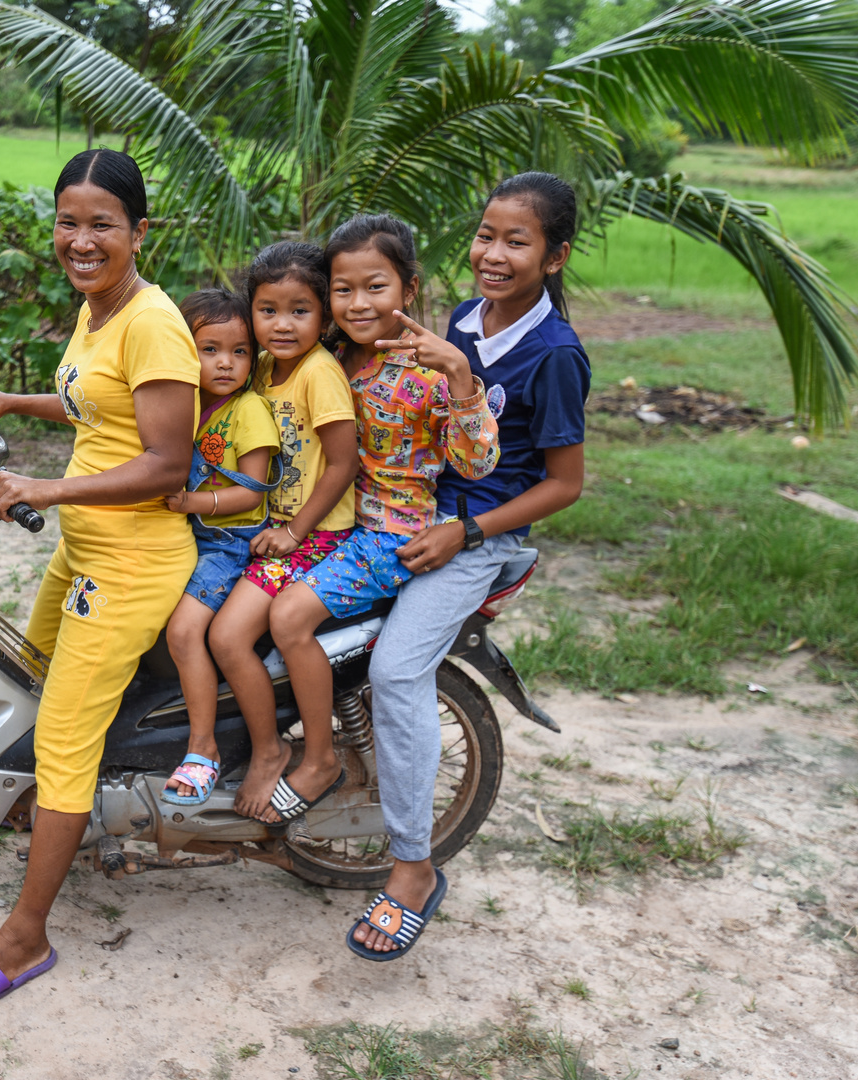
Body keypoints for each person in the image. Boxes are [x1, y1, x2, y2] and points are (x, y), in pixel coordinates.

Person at [0, 149, 199, 1008]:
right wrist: (8, 404)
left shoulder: (152, 322)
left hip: (133, 562)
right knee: (25, 677)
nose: (81, 240)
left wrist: (42, 485)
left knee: (62, 738)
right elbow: (96, 407)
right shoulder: (98, 309)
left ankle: (24, 937)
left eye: (101, 225)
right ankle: (47, 818)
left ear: (137, 232)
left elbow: (165, 462)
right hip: (84, 548)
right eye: (67, 222)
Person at [347, 172, 590, 960]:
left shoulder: (555, 356)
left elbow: (564, 484)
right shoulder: (463, 319)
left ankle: (413, 870)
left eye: (516, 241)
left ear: (554, 256)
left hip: (479, 537)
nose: (493, 253)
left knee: (394, 672)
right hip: (413, 507)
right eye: (486, 234)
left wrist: (468, 532)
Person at [261, 214, 500, 842]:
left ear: (409, 290)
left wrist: (460, 376)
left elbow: (476, 463)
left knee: (288, 618)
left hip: (387, 535)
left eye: (376, 287)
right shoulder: (330, 355)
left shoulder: (424, 375)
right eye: (343, 290)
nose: (358, 304)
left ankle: (318, 760)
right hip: (326, 524)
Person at [208, 242, 360, 822]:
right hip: (269, 524)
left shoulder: (319, 375)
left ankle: (287, 751)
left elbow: (343, 464)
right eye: (268, 310)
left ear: (323, 314)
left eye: (300, 310)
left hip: (315, 533)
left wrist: (296, 531)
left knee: (228, 637)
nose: (283, 324)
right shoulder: (265, 366)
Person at [160, 288, 280, 805]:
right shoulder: (183, 404)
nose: (226, 363)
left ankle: (202, 747)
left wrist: (192, 503)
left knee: (186, 632)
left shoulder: (247, 409)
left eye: (239, 352)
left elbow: (252, 489)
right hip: (189, 533)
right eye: (210, 349)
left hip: (228, 542)